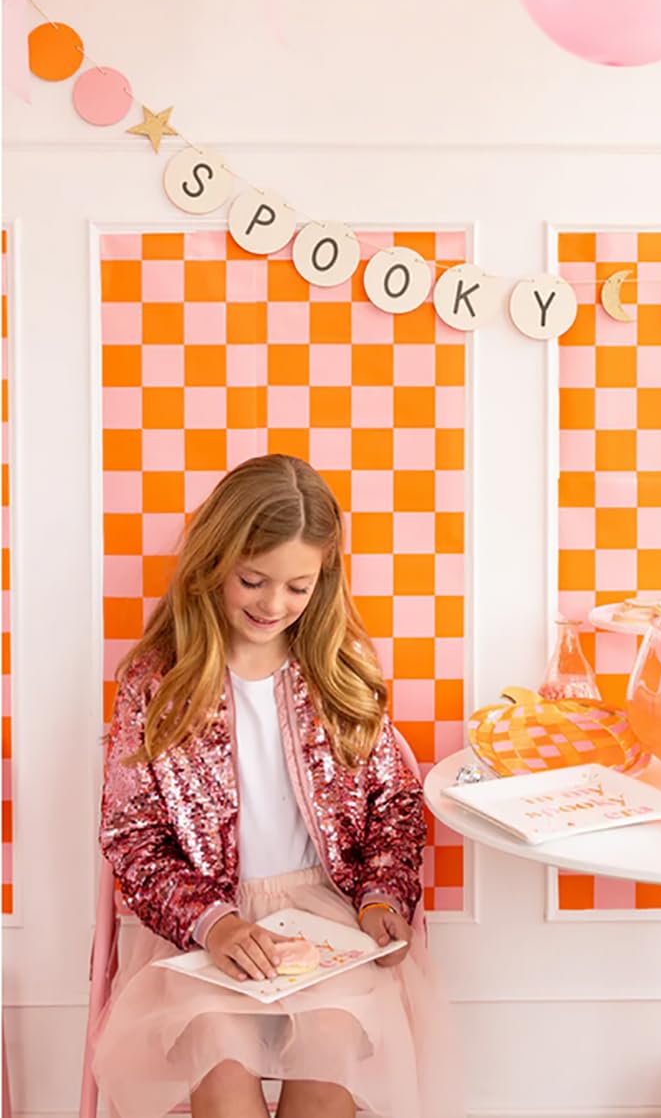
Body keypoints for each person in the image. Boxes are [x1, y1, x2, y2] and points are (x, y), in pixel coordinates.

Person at [93, 454, 461, 1118]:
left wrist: (382, 897)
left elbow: (396, 807)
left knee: (333, 1048)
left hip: (327, 920)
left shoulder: (339, 671)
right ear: (214, 562)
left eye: (298, 586)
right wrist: (216, 925)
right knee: (215, 1049)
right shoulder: (158, 684)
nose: (273, 605)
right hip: (203, 924)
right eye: (253, 580)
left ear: (324, 579)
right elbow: (133, 836)